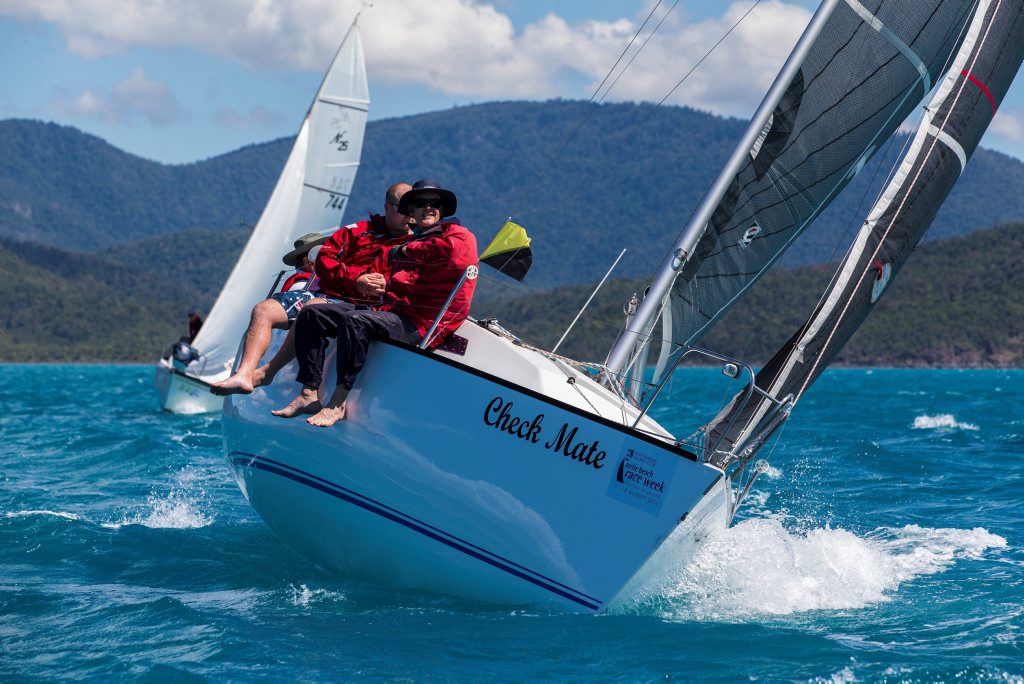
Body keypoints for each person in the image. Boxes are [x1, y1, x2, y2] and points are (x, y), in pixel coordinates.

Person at [272, 179, 477, 427]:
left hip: (418, 323)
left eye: (435, 203)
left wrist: (405, 251)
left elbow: (457, 255)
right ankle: (309, 394)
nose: (429, 208)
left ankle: (337, 403)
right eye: (421, 203)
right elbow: (404, 282)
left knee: (354, 321)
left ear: (443, 209)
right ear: (411, 212)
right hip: (389, 310)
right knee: (312, 313)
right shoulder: (414, 239)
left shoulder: (456, 234)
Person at [210, 182, 413, 396]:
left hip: (365, 307)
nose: (409, 215)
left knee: (312, 308)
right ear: (388, 206)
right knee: (263, 309)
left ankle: (269, 372)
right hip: (328, 294)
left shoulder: (417, 244)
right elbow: (325, 259)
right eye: (403, 208)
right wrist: (356, 279)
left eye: (412, 209)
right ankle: (243, 374)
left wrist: (383, 286)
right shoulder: (357, 231)